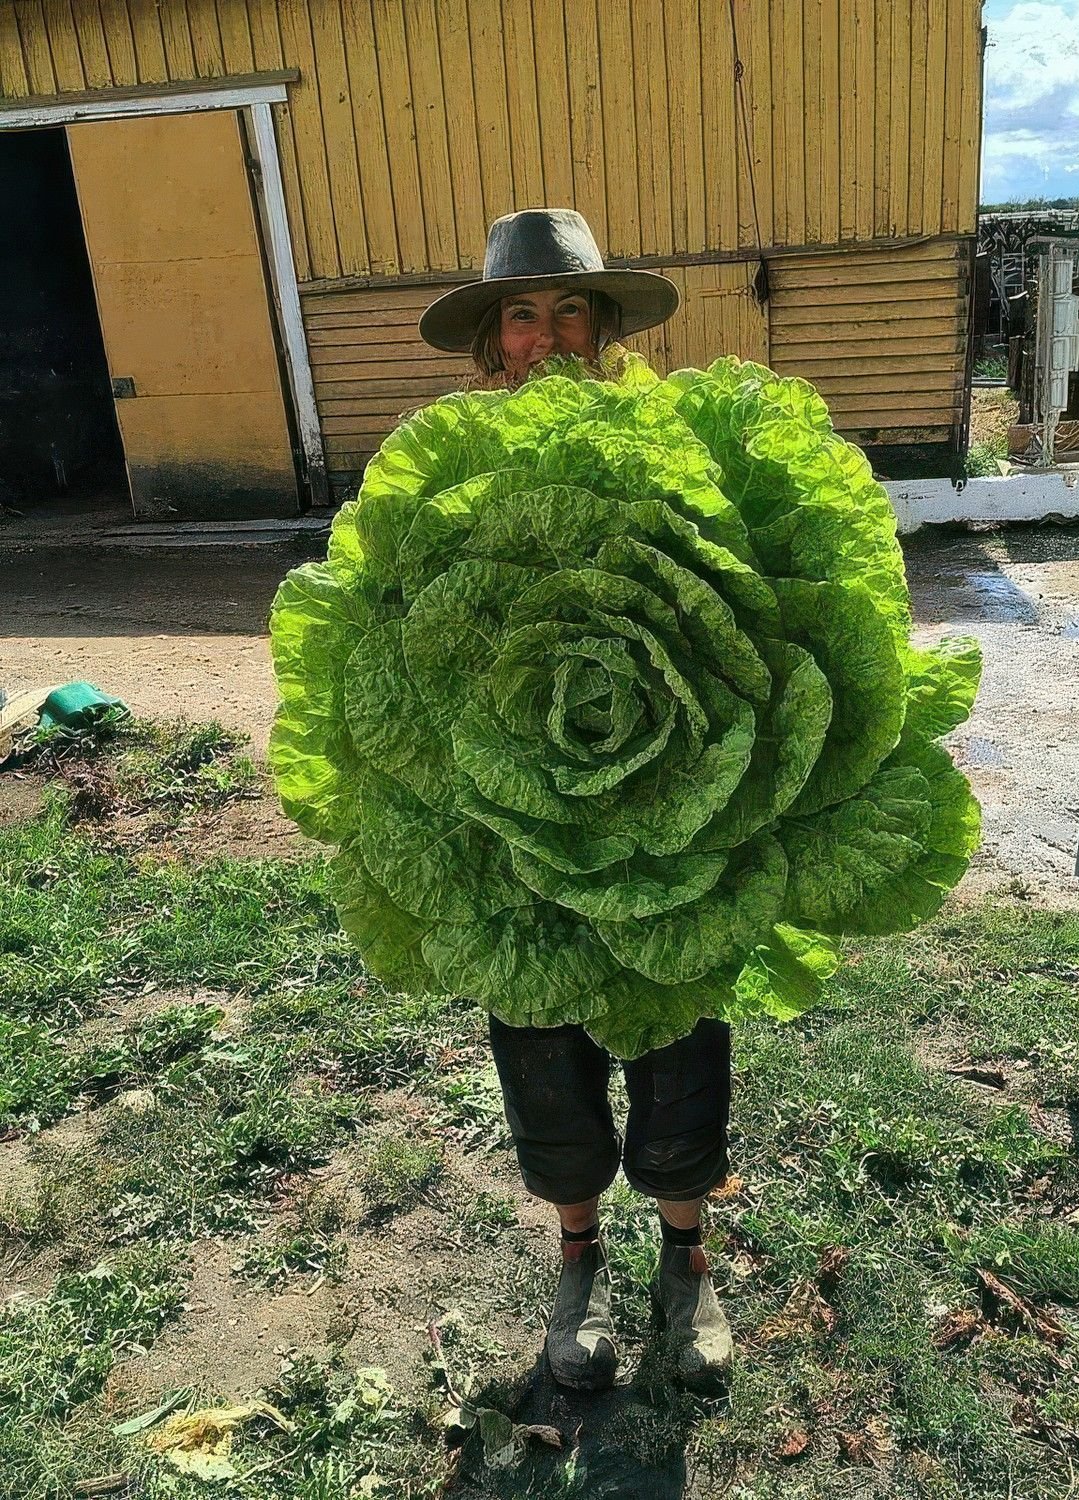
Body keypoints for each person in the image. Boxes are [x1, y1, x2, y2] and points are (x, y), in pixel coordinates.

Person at [418, 209, 734, 1395]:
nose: (544, 335)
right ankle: (579, 1260)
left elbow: (743, 600)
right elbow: (397, 635)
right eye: (521, 314)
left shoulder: (673, 435)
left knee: (681, 1040)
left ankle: (688, 1261)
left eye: (567, 311)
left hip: (678, 794)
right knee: (541, 1050)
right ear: (492, 341)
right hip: (508, 812)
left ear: (600, 329)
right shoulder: (444, 459)